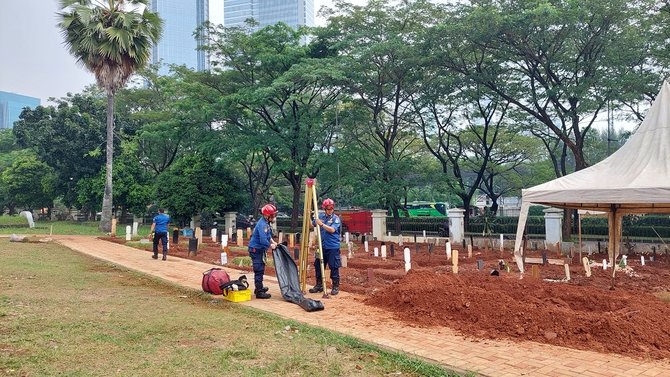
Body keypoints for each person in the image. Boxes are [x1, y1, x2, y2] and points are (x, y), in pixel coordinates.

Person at [309, 198, 342, 295]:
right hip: (322, 246)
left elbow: (332, 230)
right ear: (324, 209)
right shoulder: (321, 216)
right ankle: (319, 285)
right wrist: (308, 217)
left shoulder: (336, 218)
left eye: (332, 208)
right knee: (318, 265)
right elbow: (312, 225)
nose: (330, 210)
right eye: (328, 208)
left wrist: (322, 224)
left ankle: (335, 286)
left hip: (332, 247)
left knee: (334, 266)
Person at [248, 203, 278, 299]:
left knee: (261, 268)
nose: (274, 217)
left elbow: (268, 236)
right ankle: (259, 292)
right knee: (259, 269)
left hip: (259, 250)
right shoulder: (262, 225)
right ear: (267, 215)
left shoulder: (266, 223)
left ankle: (259, 287)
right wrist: (271, 246)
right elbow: (263, 240)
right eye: (273, 215)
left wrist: (273, 241)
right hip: (256, 250)